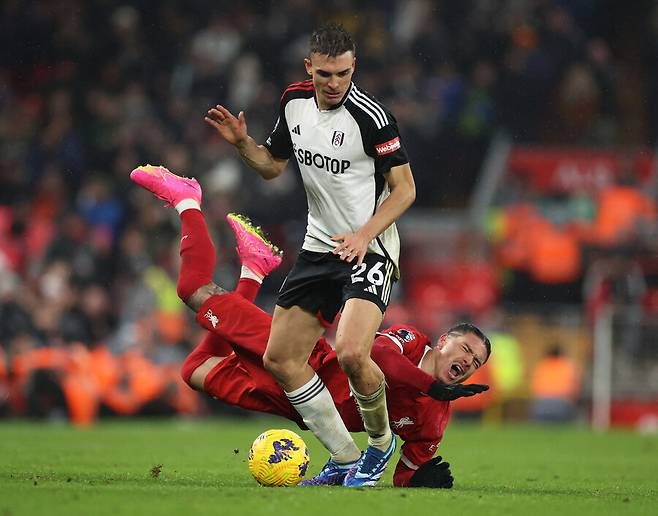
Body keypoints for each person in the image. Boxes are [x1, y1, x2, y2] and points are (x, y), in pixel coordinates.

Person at [130, 164, 490, 488]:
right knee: (193, 290)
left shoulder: (434, 421)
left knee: (194, 369)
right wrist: (429, 386)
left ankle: (253, 269)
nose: (468, 362)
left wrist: (422, 479)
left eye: (475, 363)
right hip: (301, 360)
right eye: (467, 350)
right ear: (444, 341)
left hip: (296, 405)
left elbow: (405, 473)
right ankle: (187, 201)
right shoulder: (412, 343)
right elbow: (372, 354)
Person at [204, 22, 417, 486]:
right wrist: (243, 144)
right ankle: (343, 457)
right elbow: (271, 166)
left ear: (353, 66)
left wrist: (364, 235)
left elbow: (404, 191)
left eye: (343, 73)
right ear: (309, 68)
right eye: (325, 74)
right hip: (320, 247)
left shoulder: (372, 118)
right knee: (279, 358)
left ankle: (381, 445)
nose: (335, 83)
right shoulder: (293, 102)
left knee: (351, 353)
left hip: (371, 248)